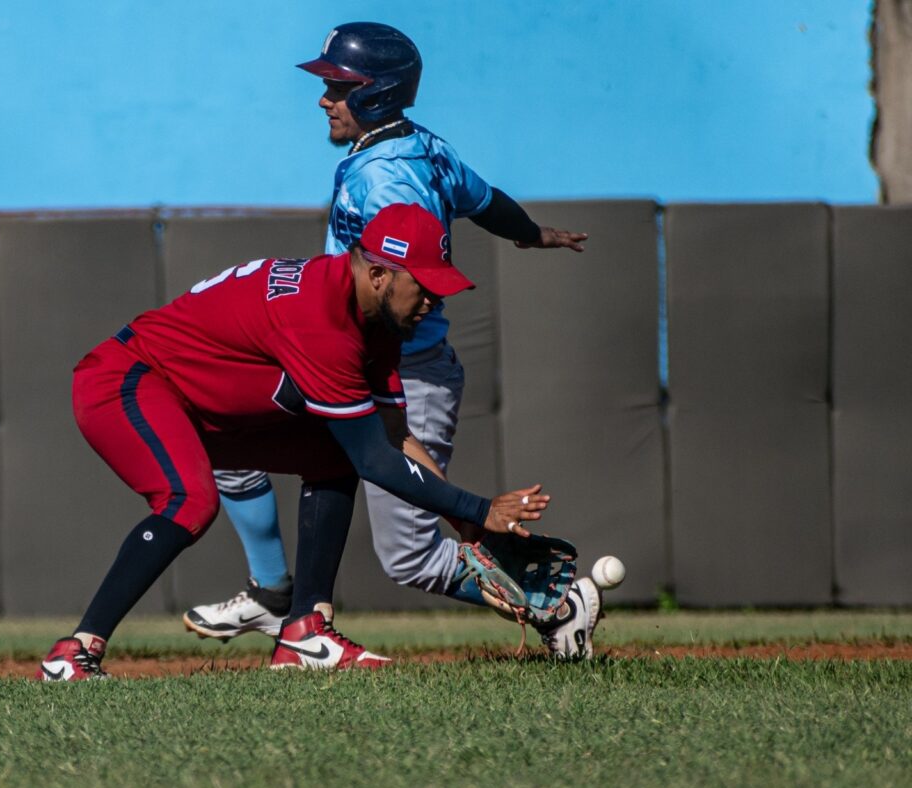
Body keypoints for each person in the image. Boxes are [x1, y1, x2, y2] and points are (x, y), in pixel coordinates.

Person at [185, 22, 601, 660]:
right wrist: (530, 233)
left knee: (409, 555)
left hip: (403, 371)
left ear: (374, 93)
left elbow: (399, 280)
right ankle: (276, 595)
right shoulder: (420, 146)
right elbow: (485, 200)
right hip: (347, 359)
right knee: (229, 433)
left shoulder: (388, 180)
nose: (324, 98)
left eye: (337, 86)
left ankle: (557, 605)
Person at [37, 203, 552, 680]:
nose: (434, 300)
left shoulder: (376, 322)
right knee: (189, 501)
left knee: (333, 455)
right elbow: (376, 460)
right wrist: (479, 508)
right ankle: (72, 653)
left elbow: (394, 436)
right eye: (424, 285)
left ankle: (305, 631)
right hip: (126, 381)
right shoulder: (321, 319)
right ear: (378, 275)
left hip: (201, 403)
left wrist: (467, 527)